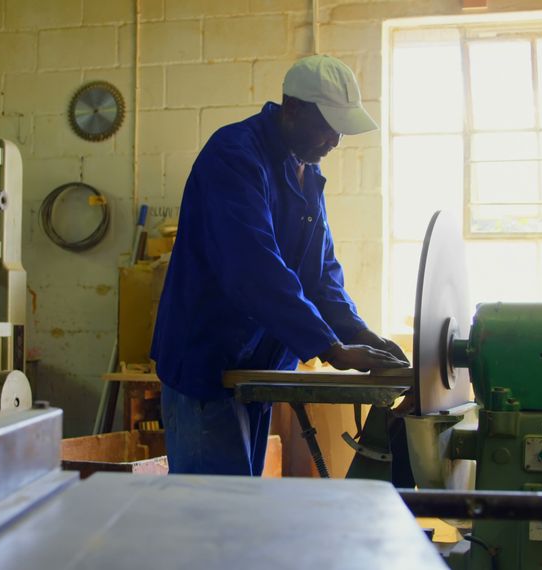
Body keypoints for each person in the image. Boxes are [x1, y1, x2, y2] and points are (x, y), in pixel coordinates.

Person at [150, 55, 409, 476]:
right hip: (209, 362)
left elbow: (320, 274)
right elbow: (252, 269)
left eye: (341, 129)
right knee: (214, 515)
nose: (336, 140)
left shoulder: (305, 169)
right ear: (292, 108)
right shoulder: (233, 156)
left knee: (245, 508)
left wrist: (360, 333)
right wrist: (332, 349)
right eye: (328, 126)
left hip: (258, 367)